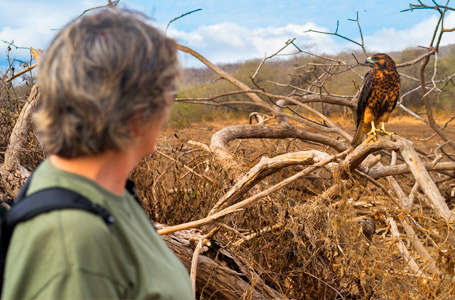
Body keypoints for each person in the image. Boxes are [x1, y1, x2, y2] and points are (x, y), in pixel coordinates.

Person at [2, 8, 193, 300]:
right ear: (137, 112)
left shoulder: (102, 190)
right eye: (169, 93)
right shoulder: (74, 245)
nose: (169, 108)